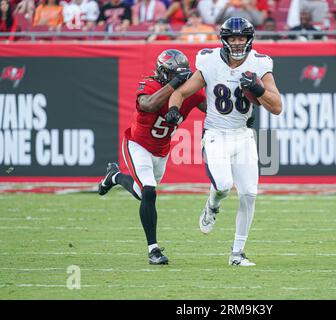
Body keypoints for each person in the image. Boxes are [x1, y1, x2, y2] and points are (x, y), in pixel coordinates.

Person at [167, 17, 282, 266]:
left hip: (243, 135)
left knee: (249, 194)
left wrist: (260, 90)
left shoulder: (260, 63)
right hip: (216, 134)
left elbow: (277, 107)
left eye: (242, 37)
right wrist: (174, 110)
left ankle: (237, 254)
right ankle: (212, 205)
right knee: (222, 185)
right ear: (225, 40)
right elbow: (182, 91)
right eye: (233, 38)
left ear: (250, 39)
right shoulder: (209, 61)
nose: (238, 42)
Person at [98, 49, 206, 265]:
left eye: (180, 74)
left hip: (161, 151)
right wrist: (174, 84)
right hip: (137, 144)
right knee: (148, 190)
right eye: (173, 74)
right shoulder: (150, 85)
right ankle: (153, 250)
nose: (177, 78)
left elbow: (212, 109)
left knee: (142, 193)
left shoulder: (189, 92)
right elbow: (148, 104)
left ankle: (114, 176)